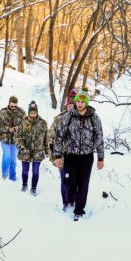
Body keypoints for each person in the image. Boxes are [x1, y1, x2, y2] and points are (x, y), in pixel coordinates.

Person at [54, 88, 104, 221]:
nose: (80, 104)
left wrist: (101, 158)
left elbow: (99, 138)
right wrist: (57, 156)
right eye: (78, 101)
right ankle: (71, 198)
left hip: (87, 157)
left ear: (86, 103)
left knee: (83, 184)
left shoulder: (94, 118)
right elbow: (59, 136)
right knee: (70, 181)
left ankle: (79, 210)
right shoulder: (68, 116)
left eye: (83, 101)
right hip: (70, 155)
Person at [48, 88, 77, 211]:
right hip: (62, 157)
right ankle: (65, 202)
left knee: (75, 181)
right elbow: (50, 138)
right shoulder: (59, 119)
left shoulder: (83, 119)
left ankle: (73, 201)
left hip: (77, 157)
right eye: (69, 105)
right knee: (64, 180)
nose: (71, 107)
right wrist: (54, 156)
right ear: (67, 106)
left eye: (73, 105)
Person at [14, 101, 48, 196]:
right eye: (31, 112)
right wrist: (22, 147)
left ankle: (33, 188)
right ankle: (24, 185)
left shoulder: (43, 123)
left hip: (38, 151)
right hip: (25, 151)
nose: (33, 114)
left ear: (37, 112)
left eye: (34, 112)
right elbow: (17, 137)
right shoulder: (23, 122)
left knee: (36, 171)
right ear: (29, 113)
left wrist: (47, 150)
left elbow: (46, 138)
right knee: (25, 171)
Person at [0, 95, 26, 181]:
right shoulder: (3, 112)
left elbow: (26, 125)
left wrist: (18, 128)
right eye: (11, 106)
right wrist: (8, 129)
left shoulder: (22, 112)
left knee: (13, 160)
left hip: (15, 140)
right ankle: (4, 175)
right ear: (9, 103)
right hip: (4, 138)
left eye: (15, 106)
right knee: (7, 156)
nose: (13, 107)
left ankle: (12, 177)